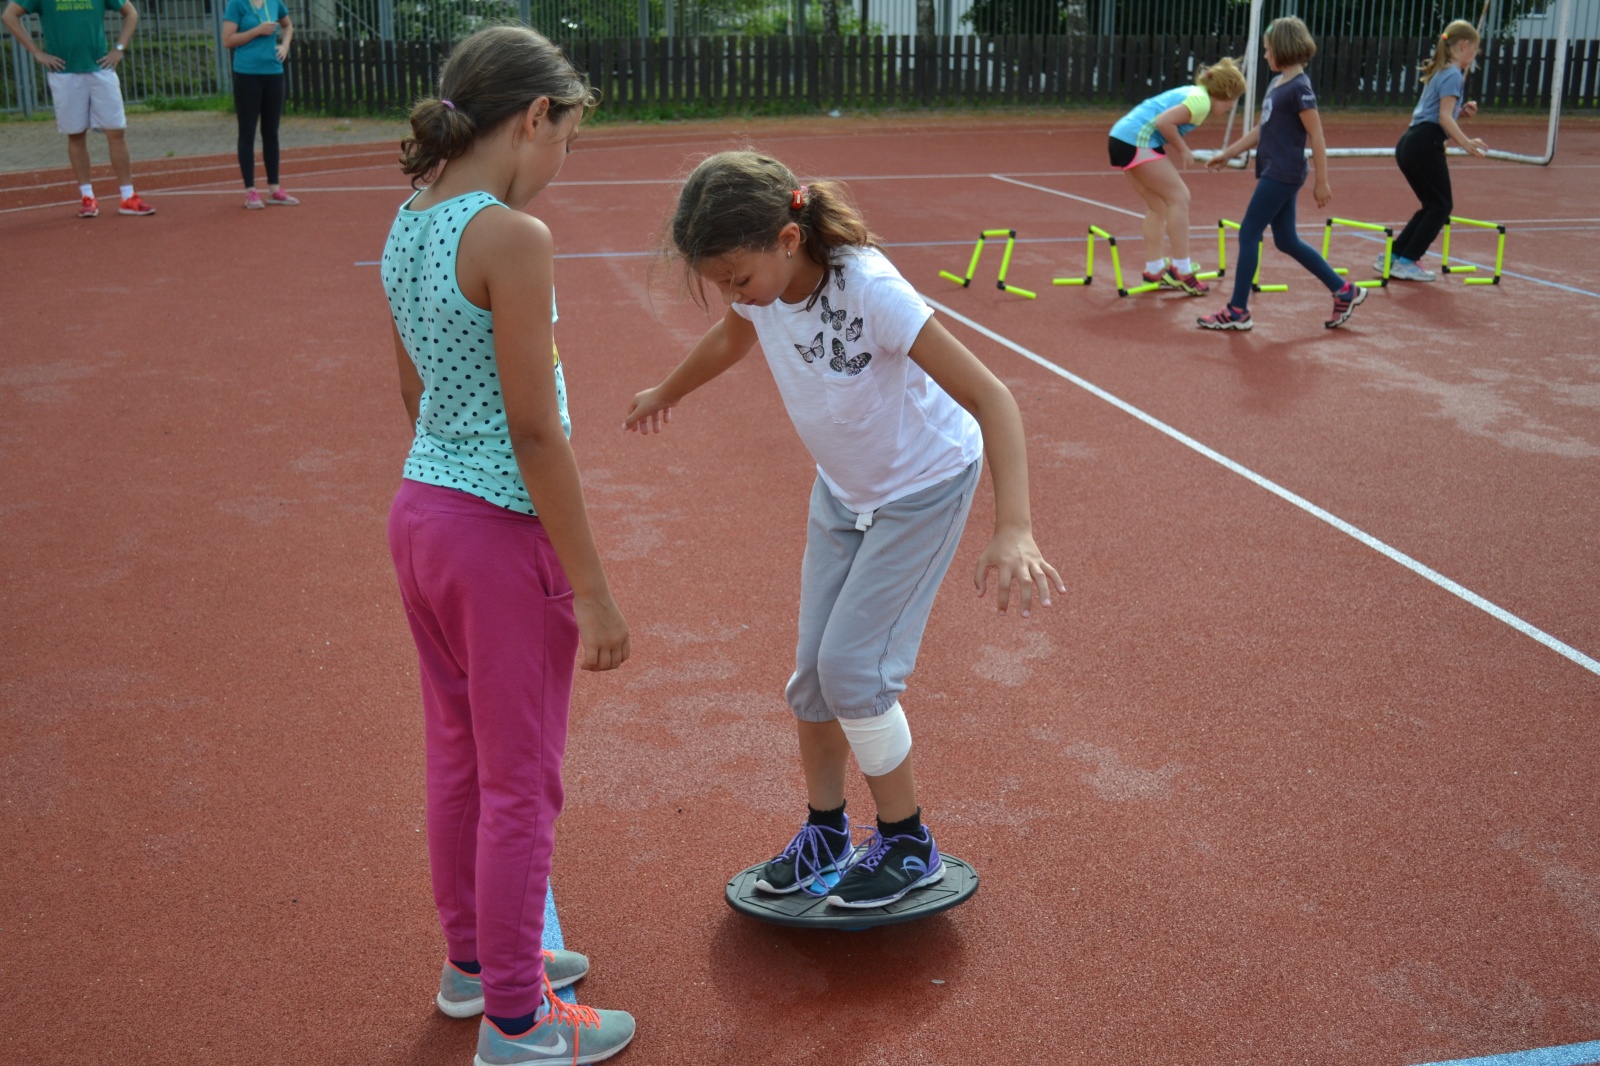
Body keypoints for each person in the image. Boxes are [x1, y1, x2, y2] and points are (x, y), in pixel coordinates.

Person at [624, 151, 1064, 912]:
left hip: (922, 488)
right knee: (812, 680)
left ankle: (907, 842)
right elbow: (732, 335)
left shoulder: (872, 291)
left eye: (737, 278)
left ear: (788, 240)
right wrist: (669, 389)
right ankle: (827, 833)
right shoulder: (761, 290)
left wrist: (1014, 528)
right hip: (844, 492)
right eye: (722, 284)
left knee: (855, 672)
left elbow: (992, 397)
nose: (735, 295)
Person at [379, 25, 635, 1066]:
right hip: (494, 536)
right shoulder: (511, 237)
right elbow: (536, 431)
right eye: (567, 136)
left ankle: (476, 967)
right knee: (521, 781)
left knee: (459, 758)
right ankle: (520, 1022)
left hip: (423, 517)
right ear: (535, 117)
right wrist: (593, 588)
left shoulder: (409, 217)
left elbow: (416, 392)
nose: (563, 157)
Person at [1198, 17, 1367, 331]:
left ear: (1284, 49)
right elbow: (1261, 129)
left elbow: (1316, 135)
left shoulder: (1300, 88)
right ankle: (1344, 290)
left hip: (1283, 172)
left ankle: (1237, 310)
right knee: (1287, 240)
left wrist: (1322, 181)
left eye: (1268, 50)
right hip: (1275, 170)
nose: (1265, 55)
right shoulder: (1277, 84)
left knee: (1248, 232)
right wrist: (1228, 153)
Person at [1, 0, 155, 217]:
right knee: (76, 134)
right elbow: (9, 15)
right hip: (65, 73)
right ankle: (87, 197)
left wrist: (119, 48)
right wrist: (36, 52)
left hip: (101, 69)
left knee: (116, 131)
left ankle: (128, 196)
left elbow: (131, 13)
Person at [1106, 58, 1247, 295]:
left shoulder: (1194, 93)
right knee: (1180, 198)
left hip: (1121, 138)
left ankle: (1154, 269)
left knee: (1158, 206)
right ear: (1224, 93)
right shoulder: (1201, 102)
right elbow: (1164, 122)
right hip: (1135, 140)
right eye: (1234, 99)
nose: (1233, 106)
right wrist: (1183, 149)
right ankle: (1181, 269)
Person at [1385, 19, 1490, 281]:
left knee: (1432, 205)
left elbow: (1441, 113)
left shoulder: (1441, 71)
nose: (1474, 57)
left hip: (1411, 141)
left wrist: (1459, 113)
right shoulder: (1453, 75)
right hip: (1425, 143)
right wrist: (1465, 142)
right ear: (1463, 45)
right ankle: (1408, 260)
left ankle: (1394, 256)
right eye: (1474, 50)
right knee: (1441, 206)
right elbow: (1443, 118)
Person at [222, 0, 298, 208]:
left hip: (273, 73)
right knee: (247, 131)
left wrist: (285, 45)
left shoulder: (274, 2)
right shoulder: (237, 4)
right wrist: (257, 30)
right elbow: (227, 40)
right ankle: (250, 191)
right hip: (247, 74)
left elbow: (288, 25)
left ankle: (274, 188)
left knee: (271, 131)